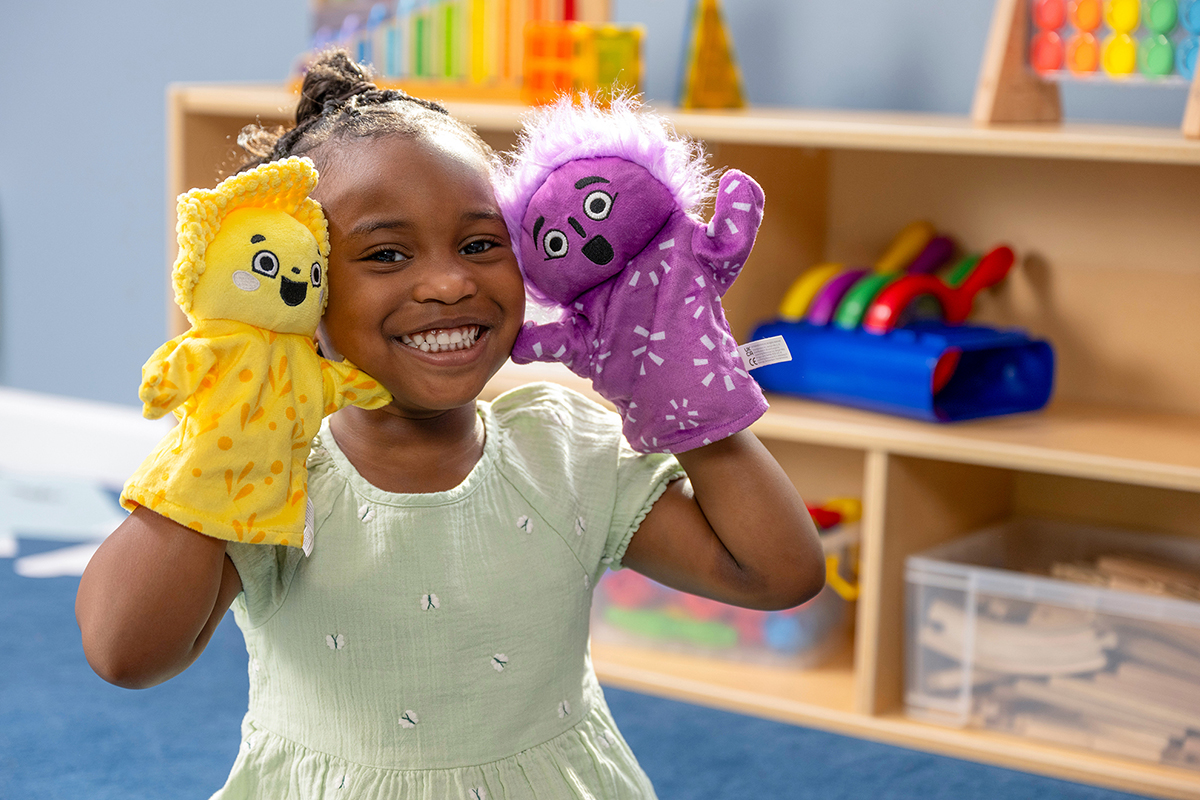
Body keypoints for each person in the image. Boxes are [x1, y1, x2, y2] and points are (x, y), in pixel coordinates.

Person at [75, 50, 825, 799]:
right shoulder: (271, 471)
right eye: (387, 253)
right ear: (307, 288)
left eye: (478, 244)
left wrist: (690, 396)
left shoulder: (561, 446)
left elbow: (777, 574)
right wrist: (223, 433)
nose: (448, 282)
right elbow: (126, 652)